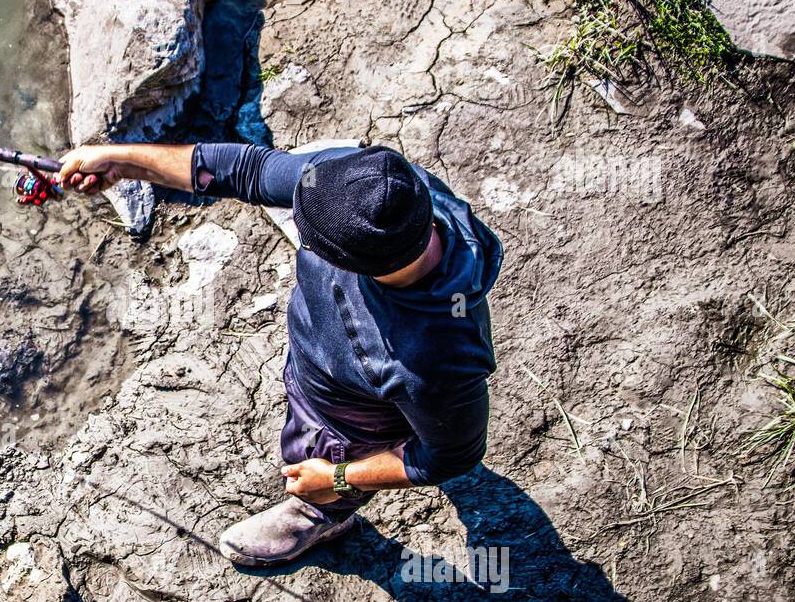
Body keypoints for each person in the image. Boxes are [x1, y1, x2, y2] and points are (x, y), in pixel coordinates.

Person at [57, 141, 503, 567]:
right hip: (331, 363)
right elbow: (247, 170)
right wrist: (119, 161)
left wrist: (336, 477)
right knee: (413, 420)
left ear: (349, 263)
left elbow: (452, 458)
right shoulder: (370, 181)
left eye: (308, 237)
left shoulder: (435, 360)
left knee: (320, 461)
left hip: (349, 420)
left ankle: (319, 513)